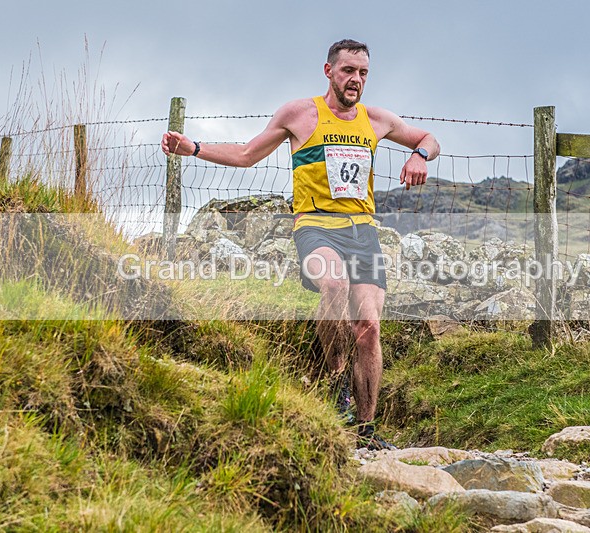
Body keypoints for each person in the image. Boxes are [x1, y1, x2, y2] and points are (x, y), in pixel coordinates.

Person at [161, 39, 439, 450]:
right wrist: (194, 148)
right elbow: (245, 154)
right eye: (348, 71)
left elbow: (431, 139)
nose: (355, 80)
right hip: (316, 226)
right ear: (329, 71)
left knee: (369, 327)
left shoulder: (376, 119)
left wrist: (419, 155)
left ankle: (364, 428)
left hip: (363, 231)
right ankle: (335, 380)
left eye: (363, 73)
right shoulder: (300, 114)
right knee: (334, 284)